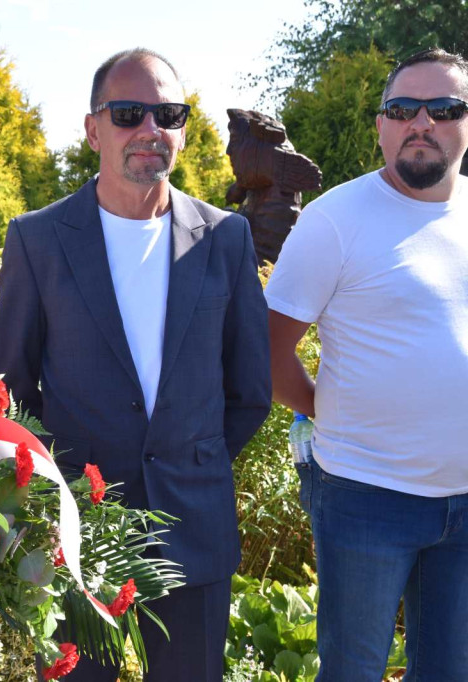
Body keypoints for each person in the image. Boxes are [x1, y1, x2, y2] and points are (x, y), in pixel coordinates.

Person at [0, 49, 271, 681]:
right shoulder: (38, 239)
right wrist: (56, 494)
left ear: (184, 130)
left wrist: (191, 457)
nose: (150, 129)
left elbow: (249, 389)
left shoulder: (226, 237)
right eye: (128, 113)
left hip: (193, 526)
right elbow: (8, 388)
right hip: (77, 532)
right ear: (93, 129)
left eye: (168, 113)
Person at [266, 48, 468, 681]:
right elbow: (269, 350)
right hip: (365, 497)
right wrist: (327, 410)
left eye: (444, 108)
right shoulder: (336, 220)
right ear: (380, 125)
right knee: (353, 671)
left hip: (466, 506)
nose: (422, 122)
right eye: (402, 108)